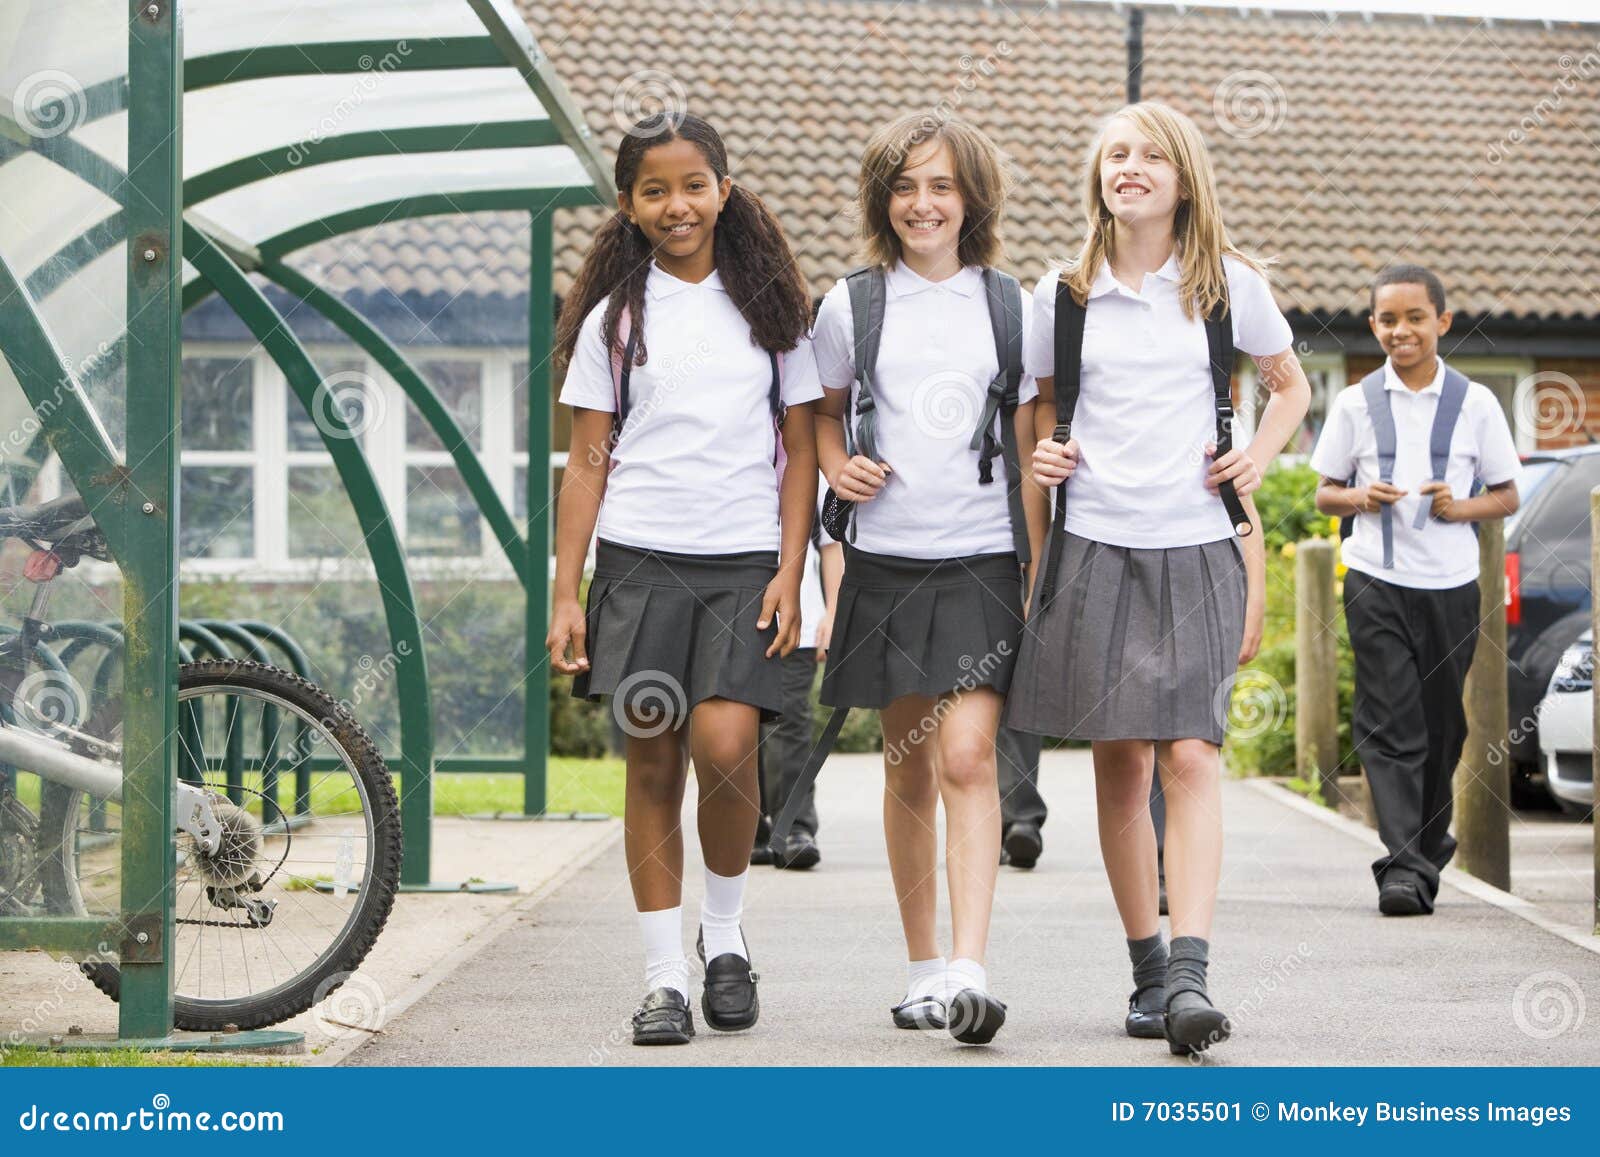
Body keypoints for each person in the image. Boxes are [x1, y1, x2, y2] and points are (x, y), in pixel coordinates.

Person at [1006, 101, 1309, 1056]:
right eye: (1114, 156)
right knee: (1123, 765)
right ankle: (1146, 972)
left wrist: (1257, 453)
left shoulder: (1229, 286)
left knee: (1191, 756)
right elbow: (1036, 413)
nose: (1128, 167)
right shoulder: (1060, 293)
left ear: (1184, 179)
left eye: (1148, 156)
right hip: (1093, 544)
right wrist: (1043, 460)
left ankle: (1190, 974)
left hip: (1199, 544)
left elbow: (1290, 383)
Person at [547, 113, 821, 1046]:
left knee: (728, 743)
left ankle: (727, 932)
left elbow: (800, 454)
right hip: (639, 563)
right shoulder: (611, 321)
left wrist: (792, 569)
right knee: (655, 757)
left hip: (745, 562)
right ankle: (665, 975)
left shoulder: (774, 310)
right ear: (628, 205)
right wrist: (564, 591)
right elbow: (585, 464)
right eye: (655, 190)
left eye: (694, 184)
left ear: (725, 190)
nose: (678, 204)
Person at [811, 113, 1043, 1046]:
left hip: (984, 560)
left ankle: (969, 969)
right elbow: (821, 417)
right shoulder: (850, 305)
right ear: (884, 201)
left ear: (971, 199)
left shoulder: (1013, 306)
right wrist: (836, 466)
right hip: (884, 561)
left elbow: (1031, 444)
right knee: (907, 766)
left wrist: (1036, 570)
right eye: (905, 187)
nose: (923, 203)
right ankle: (919, 970)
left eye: (941, 186)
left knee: (966, 757)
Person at [1310, 263, 1520, 917]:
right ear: (1374, 326)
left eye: (1414, 317)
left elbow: (1507, 494)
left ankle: (1428, 845)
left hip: (1453, 586)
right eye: (1388, 319)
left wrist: (1460, 508)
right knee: (1389, 720)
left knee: (1444, 726)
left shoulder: (1476, 403)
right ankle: (1402, 866)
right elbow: (1324, 493)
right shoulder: (1354, 403)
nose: (1401, 330)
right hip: (1375, 577)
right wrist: (1359, 496)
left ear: (1442, 322)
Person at [752, 490, 842, 870]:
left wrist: (834, 611)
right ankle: (750, 830)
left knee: (789, 723)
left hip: (797, 622)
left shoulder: (814, 474)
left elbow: (832, 547)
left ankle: (794, 827)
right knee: (735, 726)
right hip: (726, 617)